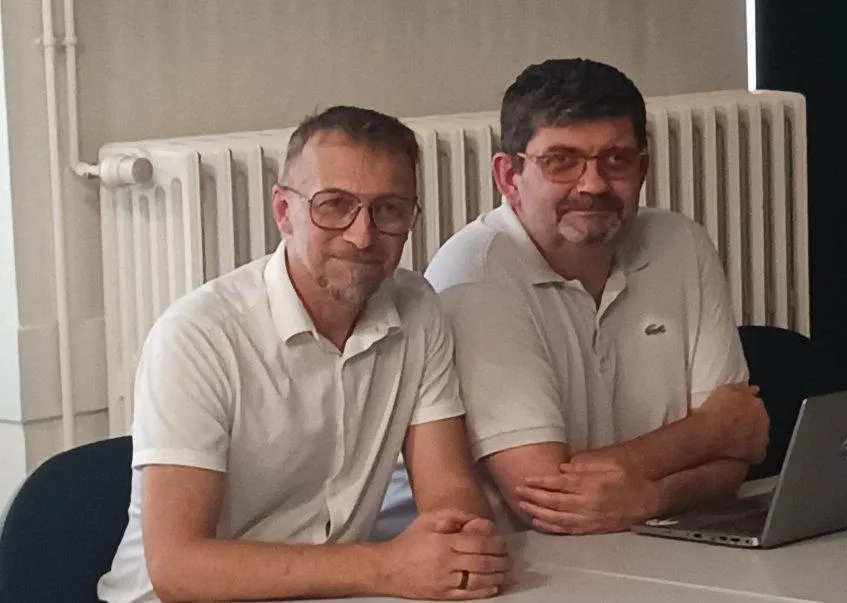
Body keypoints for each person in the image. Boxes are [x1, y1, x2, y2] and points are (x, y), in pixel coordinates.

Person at [98, 106, 512, 602]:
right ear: (283, 212)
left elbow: (447, 487)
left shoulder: (418, 308)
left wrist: (460, 539)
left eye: (389, 210)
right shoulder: (199, 336)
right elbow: (177, 568)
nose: (362, 236)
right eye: (333, 206)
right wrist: (383, 566)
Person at [424, 59, 770, 536]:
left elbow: (735, 461)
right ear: (508, 176)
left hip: (664, 540)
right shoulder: (473, 277)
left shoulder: (682, 244)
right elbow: (543, 499)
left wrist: (653, 499)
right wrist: (709, 431)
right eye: (560, 161)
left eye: (616, 160)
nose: (592, 185)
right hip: (533, 560)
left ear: (642, 168)